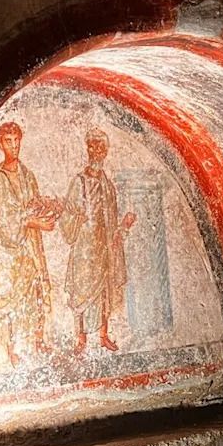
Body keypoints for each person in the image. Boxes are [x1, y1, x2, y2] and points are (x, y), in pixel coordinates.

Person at [0, 121, 61, 366]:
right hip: (7, 253)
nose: (14, 146)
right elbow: (6, 221)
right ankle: (12, 348)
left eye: (16, 141)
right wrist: (35, 222)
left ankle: (38, 340)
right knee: (12, 300)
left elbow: (31, 206)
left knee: (35, 290)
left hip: (29, 250)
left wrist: (48, 210)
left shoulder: (27, 175)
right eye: (8, 141)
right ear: (0, 143)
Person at [60, 129, 136, 353]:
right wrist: (77, 217)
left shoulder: (108, 184)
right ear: (88, 149)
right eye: (93, 147)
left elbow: (110, 220)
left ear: (106, 151)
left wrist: (123, 226)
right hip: (85, 247)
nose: (98, 152)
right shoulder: (79, 182)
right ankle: (81, 339)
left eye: (102, 148)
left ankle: (103, 335)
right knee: (81, 291)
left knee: (104, 292)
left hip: (103, 247)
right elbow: (67, 213)